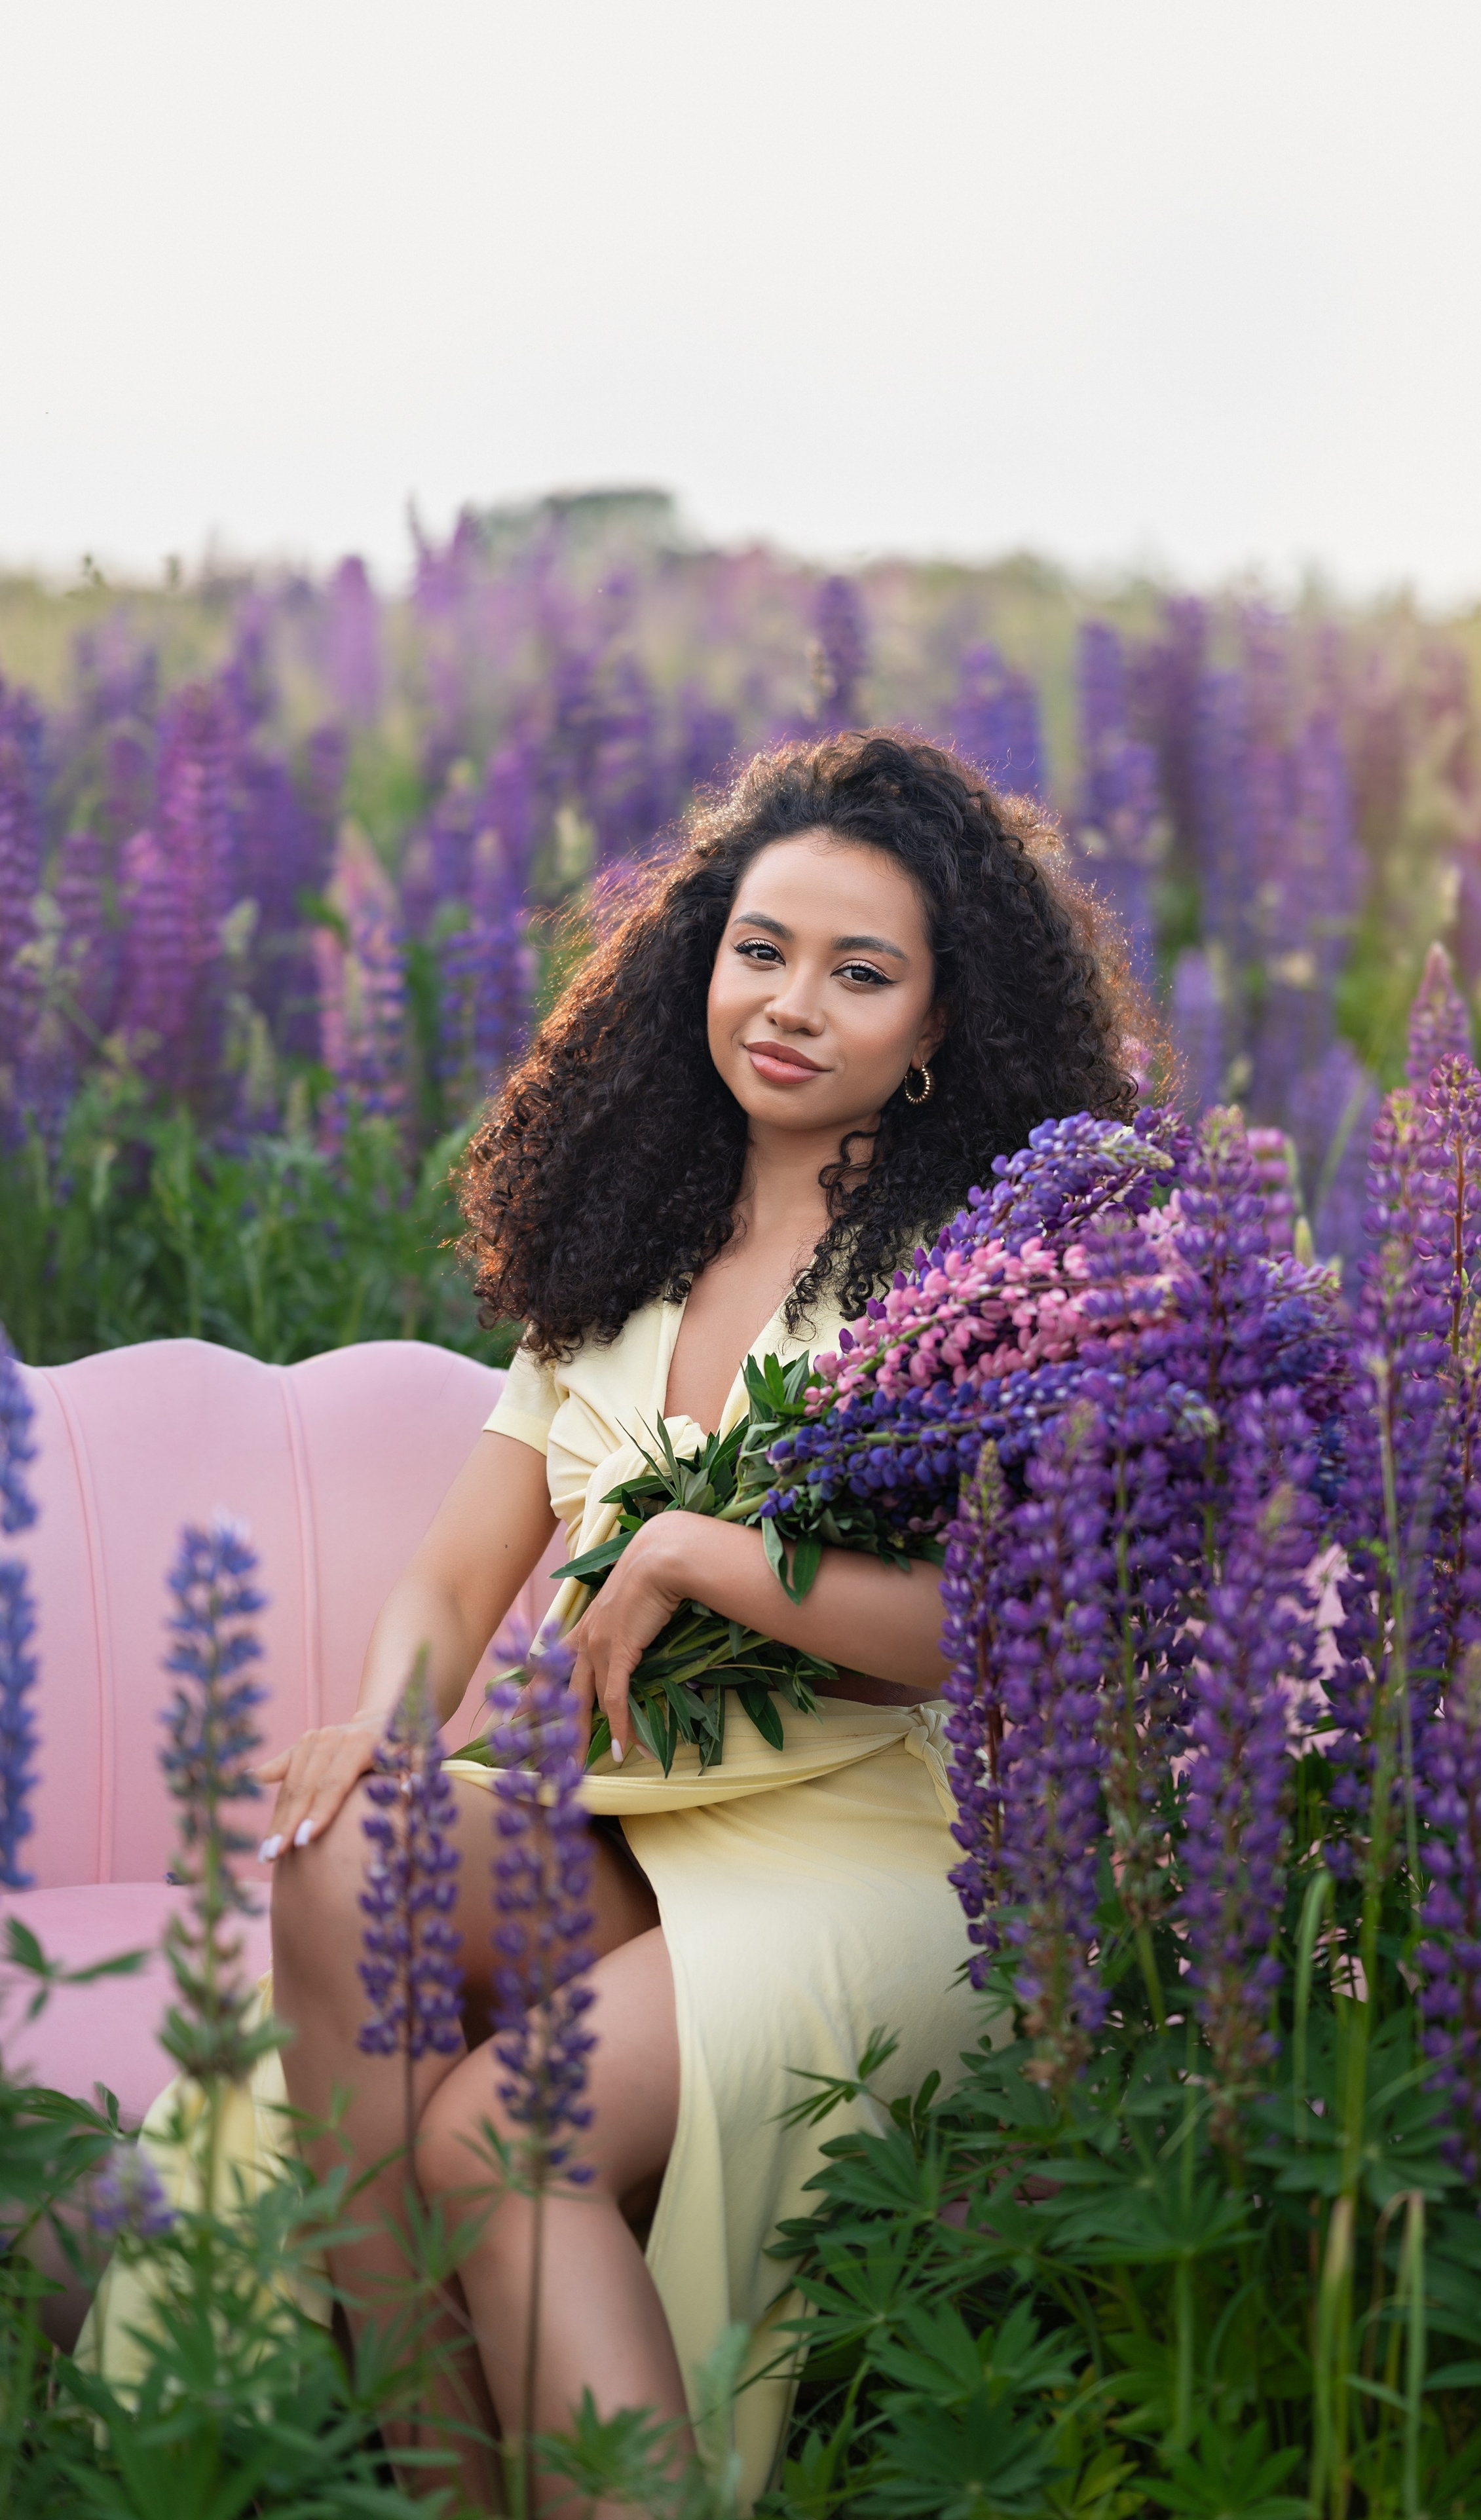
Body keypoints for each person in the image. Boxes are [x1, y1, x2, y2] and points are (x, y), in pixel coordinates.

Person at [147, 732, 1146, 2509]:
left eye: (861, 974)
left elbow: (1008, 1630)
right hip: (639, 1820)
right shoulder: (629, 1251)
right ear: (703, 954)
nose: (790, 1004)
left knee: (494, 2137)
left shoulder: (974, 1277)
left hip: (888, 1852)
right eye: (761, 950)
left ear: (940, 1026)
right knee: (332, 1855)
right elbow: (459, 1575)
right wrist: (387, 1718)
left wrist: (703, 1554)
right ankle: (435, 2481)